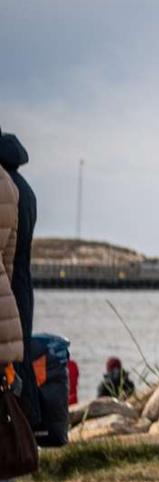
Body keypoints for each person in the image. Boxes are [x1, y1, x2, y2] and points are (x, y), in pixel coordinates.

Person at [0, 131, 38, 427]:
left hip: (10, 282)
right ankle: (28, 426)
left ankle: (17, 433)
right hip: (21, 282)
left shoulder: (8, 188)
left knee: (10, 366)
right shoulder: (25, 191)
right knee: (19, 356)